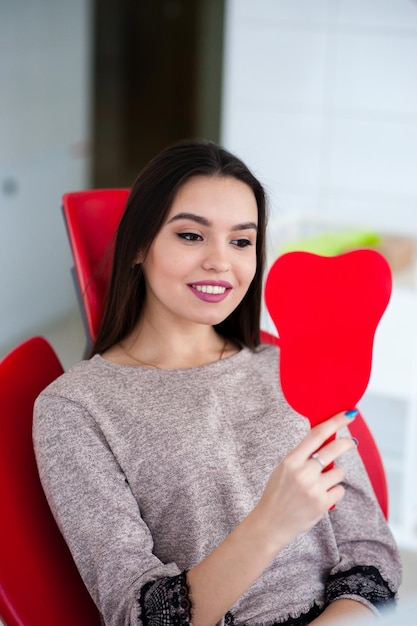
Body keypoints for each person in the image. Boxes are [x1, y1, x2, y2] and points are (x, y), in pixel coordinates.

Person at [33, 139, 401, 626]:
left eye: (241, 241)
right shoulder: (74, 408)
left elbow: (370, 554)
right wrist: (270, 524)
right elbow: (136, 615)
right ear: (140, 243)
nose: (220, 262)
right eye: (191, 236)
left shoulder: (287, 366)